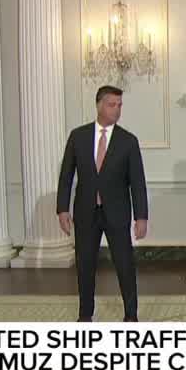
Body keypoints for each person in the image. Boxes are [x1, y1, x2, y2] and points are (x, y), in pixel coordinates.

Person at [57, 86, 148, 321]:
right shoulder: (78, 136)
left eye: (120, 105)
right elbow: (66, 175)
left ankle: (131, 316)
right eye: (112, 105)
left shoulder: (128, 141)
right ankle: (85, 317)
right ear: (99, 105)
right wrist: (62, 209)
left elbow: (137, 182)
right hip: (86, 212)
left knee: (124, 265)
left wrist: (141, 217)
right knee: (85, 266)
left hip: (117, 213)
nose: (117, 110)